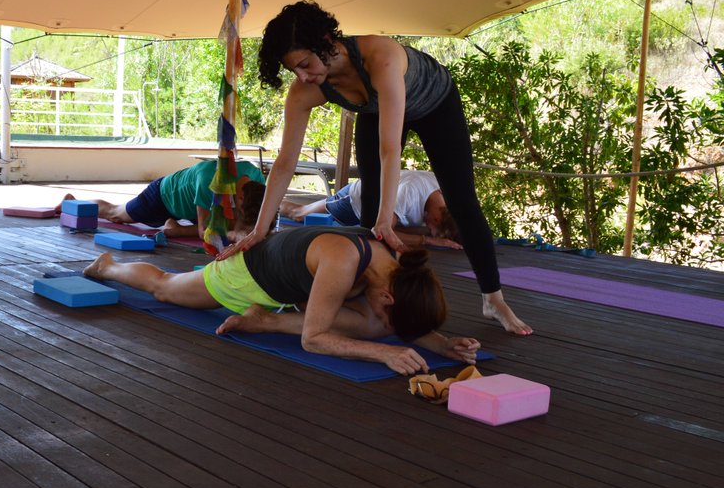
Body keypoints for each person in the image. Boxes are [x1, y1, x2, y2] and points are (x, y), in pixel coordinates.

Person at [225, 1, 531, 334]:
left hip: (435, 104)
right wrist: (259, 229)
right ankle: (383, 295)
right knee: (370, 205)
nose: (302, 76)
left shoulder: (380, 56)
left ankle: (493, 298)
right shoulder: (306, 89)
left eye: (305, 64)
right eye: (293, 70)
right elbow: (285, 162)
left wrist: (389, 218)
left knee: (461, 201)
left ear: (326, 42)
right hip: (373, 110)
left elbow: (390, 150)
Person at [85, 226, 481, 375]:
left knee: (374, 325)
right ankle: (109, 267)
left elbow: (401, 317)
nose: (390, 328)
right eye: (391, 316)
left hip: (295, 287)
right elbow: (314, 339)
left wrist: (442, 344)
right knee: (165, 287)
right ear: (387, 296)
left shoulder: (395, 269)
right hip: (249, 275)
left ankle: (264, 320)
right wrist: (384, 353)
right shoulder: (344, 261)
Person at [59, 159, 267, 240]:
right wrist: (235, 235)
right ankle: (71, 202)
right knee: (116, 214)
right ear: (239, 196)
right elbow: (205, 231)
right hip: (164, 196)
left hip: (192, 206)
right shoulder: (209, 181)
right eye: (239, 208)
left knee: (228, 223)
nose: (238, 212)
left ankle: (174, 227)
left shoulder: (256, 178)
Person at [281, 170, 461, 249]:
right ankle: (274, 203)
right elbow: (384, 233)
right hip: (354, 201)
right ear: (437, 219)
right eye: (432, 228)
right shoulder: (410, 193)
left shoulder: (443, 192)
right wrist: (427, 240)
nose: (428, 228)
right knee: (299, 214)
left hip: (376, 211)